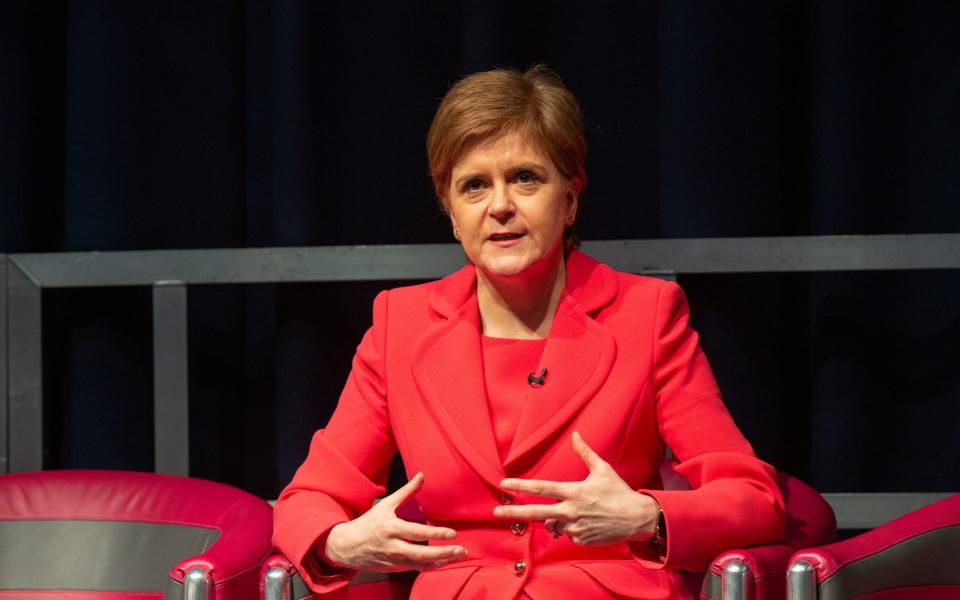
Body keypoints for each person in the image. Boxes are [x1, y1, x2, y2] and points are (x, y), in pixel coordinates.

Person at [273, 65, 785, 599]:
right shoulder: (399, 324)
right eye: (474, 186)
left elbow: (754, 498)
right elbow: (309, 497)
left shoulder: (647, 314)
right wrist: (341, 541)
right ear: (450, 212)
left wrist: (646, 515)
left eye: (525, 178)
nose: (500, 206)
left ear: (570, 197)